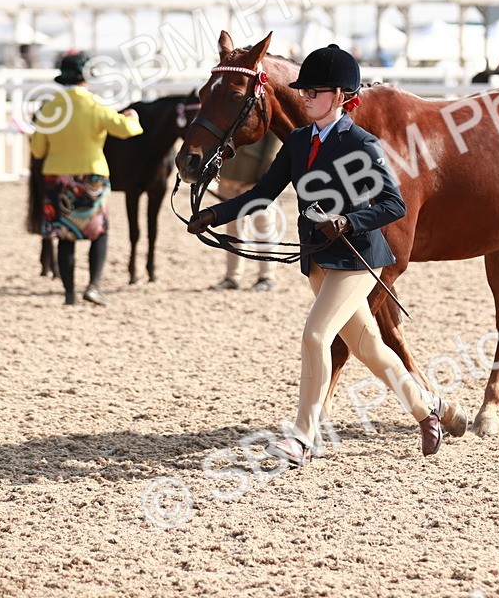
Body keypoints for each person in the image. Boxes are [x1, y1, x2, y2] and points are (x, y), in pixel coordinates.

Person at [187, 44, 445, 466]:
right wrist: (215, 215)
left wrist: (347, 220)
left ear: (341, 96)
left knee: (315, 335)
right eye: (303, 91)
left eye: (315, 91)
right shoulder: (298, 141)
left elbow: (393, 205)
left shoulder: (362, 144)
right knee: (369, 347)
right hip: (318, 259)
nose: (305, 97)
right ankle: (427, 408)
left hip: (358, 258)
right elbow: (262, 193)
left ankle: (302, 438)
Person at [30, 52, 143, 306]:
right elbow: (126, 130)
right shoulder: (95, 105)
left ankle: (69, 294)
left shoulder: (49, 109)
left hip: (57, 177)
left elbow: (37, 150)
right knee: (99, 232)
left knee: (64, 235)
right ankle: (93, 286)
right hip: (92, 176)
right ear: (87, 77)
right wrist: (133, 119)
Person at [211, 133, 283, 292]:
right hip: (228, 179)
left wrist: (265, 182)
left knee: (263, 228)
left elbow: (272, 152)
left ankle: (266, 277)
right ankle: (232, 277)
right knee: (232, 229)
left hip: (256, 184)